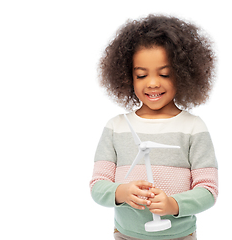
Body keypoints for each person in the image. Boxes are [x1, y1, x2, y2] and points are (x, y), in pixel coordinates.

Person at [90, 14, 218, 240]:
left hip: (180, 236)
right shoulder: (116, 127)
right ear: (128, 76)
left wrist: (173, 204)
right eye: (141, 75)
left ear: (184, 73)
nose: (152, 83)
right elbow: (98, 186)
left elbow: (208, 190)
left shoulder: (193, 127)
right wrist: (121, 192)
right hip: (126, 235)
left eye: (164, 73)